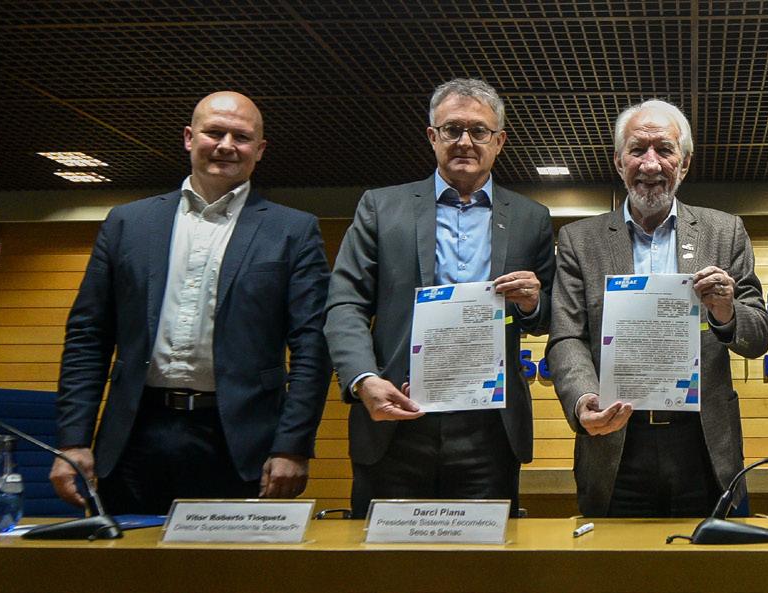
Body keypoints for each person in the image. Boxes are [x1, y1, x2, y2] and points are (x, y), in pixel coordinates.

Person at [51, 91, 331, 514]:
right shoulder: (128, 223)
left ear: (260, 149)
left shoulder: (292, 231)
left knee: (231, 559)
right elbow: (88, 337)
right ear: (188, 137)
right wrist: (73, 440)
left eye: (241, 137)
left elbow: (313, 346)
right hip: (134, 435)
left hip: (241, 443)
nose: (226, 145)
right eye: (214, 132)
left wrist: (292, 445)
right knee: (126, 555)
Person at [324, 79, 553, 518]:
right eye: (452, 129)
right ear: (432, 136)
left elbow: (546, 317)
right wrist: (363, 379)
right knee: (385, 555)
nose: (465, 141)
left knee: (486, 555)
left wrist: (532, 303)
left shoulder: (531, 218)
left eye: (479, 131)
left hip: (488, 430)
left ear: (499, 141)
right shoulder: (380, 208)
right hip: (396, 417)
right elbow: (344, 303)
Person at [546, 100, 768, 518]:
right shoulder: (579, 240)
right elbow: (567, 336)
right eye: (637, 149)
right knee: (614, 558)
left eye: (664, 149)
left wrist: (726, 311)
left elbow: (757, 337)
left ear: (684, 163)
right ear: (619, 161)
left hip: (702, 444)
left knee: (712, 557)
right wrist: (583, 398)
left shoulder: (725, 231)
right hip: (615, 443)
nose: (650, 163)